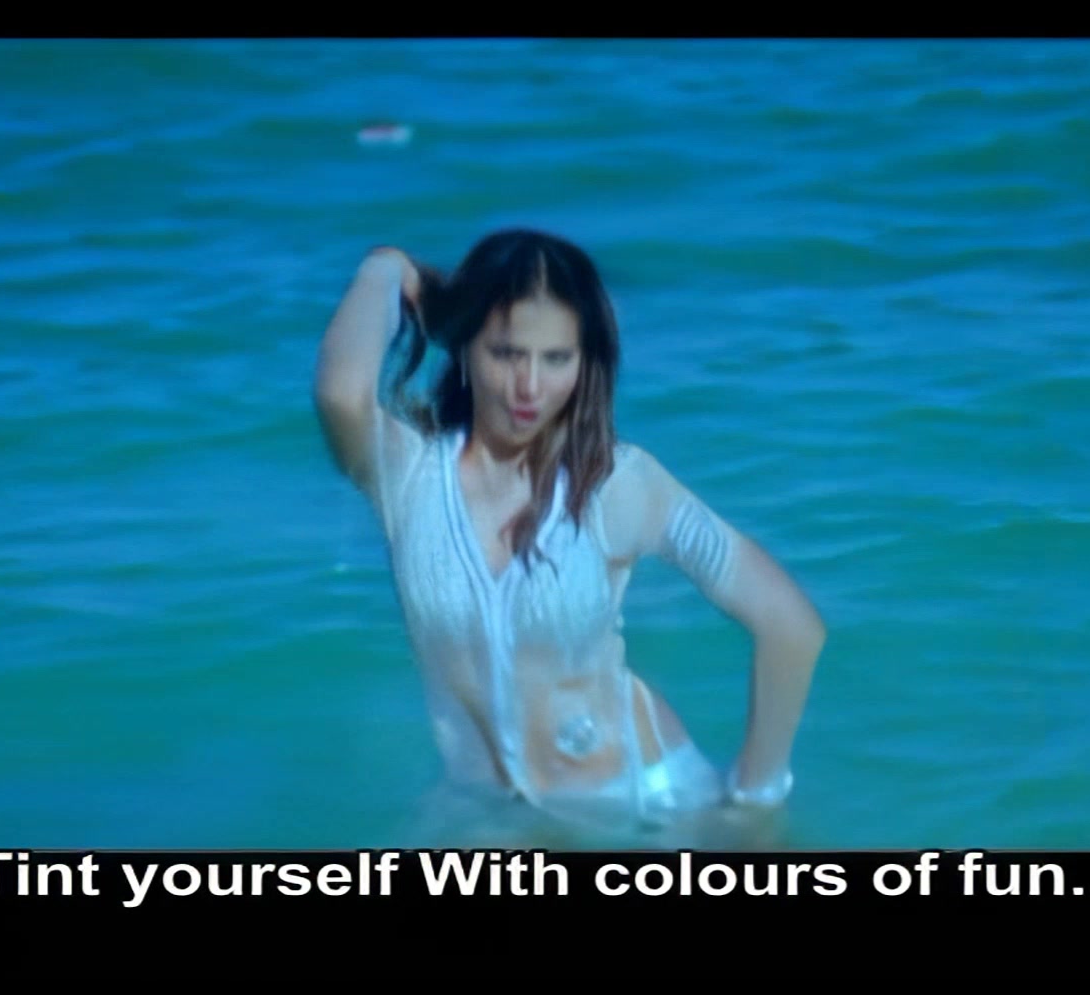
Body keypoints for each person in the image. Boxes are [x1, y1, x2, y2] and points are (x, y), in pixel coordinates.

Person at [312, 229, 826, 843]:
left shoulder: (617, 484)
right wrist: (385, 269)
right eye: (507, 353)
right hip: (489, 807)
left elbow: (790, 626)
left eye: (557, 359)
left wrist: (754, 800)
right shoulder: (408, 478)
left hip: (646, 801)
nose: (530, 387)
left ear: (586, 366)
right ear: (465, 347)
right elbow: (340, 393)